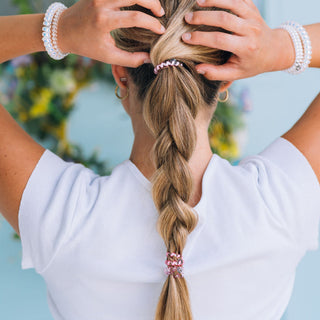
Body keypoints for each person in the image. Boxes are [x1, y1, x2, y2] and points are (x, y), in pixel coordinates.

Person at [0, 0, 319, 319]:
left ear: (121, 77)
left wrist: (60, 29)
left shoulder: (60, 219)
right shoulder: (278, 207)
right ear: (224, 83)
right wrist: (282, 46)